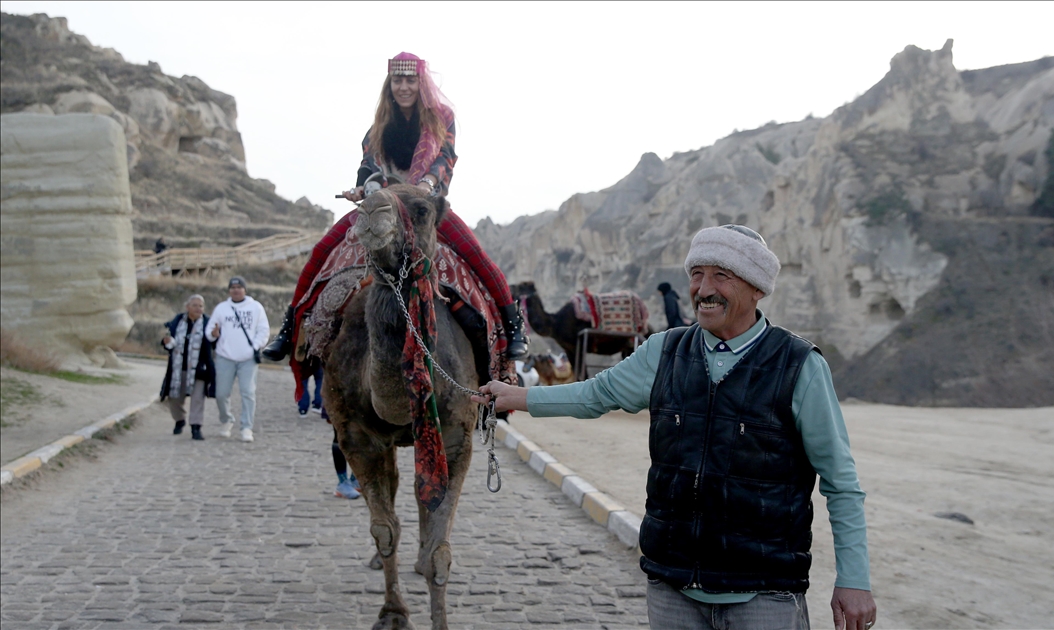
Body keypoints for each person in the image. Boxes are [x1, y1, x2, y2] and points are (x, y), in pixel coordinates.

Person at [474, 225, 877, 630]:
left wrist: (854, 580)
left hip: (764, 594)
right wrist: (517, 398)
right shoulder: (664, 351)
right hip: (672, 590)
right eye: (696, 274)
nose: (703, 289)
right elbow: (596, 394)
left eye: (722, 275)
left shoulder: (800, 365)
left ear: (757, 288)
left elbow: (841, 481)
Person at [262, 51, 527, 364]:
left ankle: (513, 328)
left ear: (420, 82)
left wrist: (428, 183)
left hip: (422, 203)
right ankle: (288, 329)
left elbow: (446, 157)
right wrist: (364, 187)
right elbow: (368, 164)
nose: (404, 87)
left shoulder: (442, 119)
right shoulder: (378, 126)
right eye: (397, 80)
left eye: (410, 80)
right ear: (390, 84)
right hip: (383, 202)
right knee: (322, 252)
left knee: (475, 255)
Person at [206, 276, 270, 443]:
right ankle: (226, 420)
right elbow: (210, 330)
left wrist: (254, 347)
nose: (236, 290)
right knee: (221, 393)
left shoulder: (255, 307)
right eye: (233, 287)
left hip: (247, 359)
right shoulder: (222, 308)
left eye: (239, 287)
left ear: (244, 289)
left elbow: (263, 330)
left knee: (248, 392)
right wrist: (213, 335)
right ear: (229, 290)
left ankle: (246, 427)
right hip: (225, 356)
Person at [158, 294, 216, 440]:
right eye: (195, 305)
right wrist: (166, 342)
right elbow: (170, 342)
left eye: (201, 306)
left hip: (199, 368)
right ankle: (179, 420)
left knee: (197, 399)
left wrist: (215, 336)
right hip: (178, 367)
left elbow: (214, 345)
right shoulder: (177, 321)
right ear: (187, 307)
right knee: (174, 397)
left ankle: (196, 428)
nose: (198, 308)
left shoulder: (208, 323)